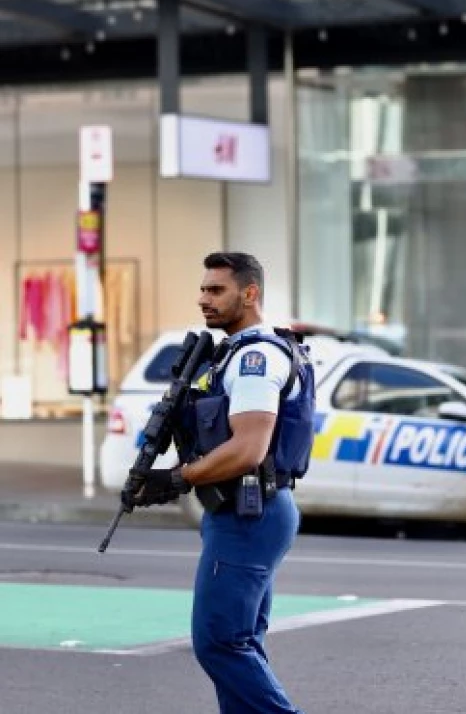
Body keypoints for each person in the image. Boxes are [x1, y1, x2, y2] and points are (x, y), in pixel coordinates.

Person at [130, 251, 313, 713]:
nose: (203, 299)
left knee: (219, 643)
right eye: (203, 289)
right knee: (240, 642)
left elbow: (248, 448)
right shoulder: (234, 352)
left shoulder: (254, 358)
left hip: (249, 514)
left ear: (249, 293)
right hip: (247, 510)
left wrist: (176, 479)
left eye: (216, 290)